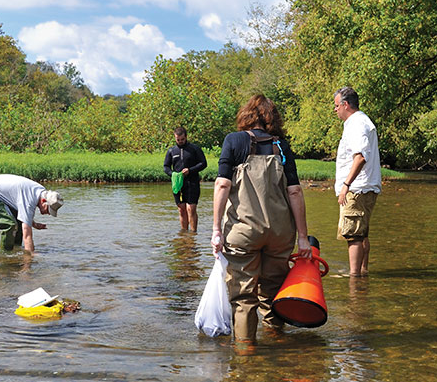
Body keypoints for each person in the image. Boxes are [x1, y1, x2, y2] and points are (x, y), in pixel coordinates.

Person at [211, 95, 312, 343]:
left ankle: (246, 354)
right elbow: (295, 191)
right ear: (271, 118)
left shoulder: (233, 141)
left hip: (243, 232)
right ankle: (275, 339)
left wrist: (216, 230)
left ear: (246, 115)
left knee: (243, 296)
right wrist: (302, 238)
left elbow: (223, 185)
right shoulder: (282, 147)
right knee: (274, 290)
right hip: (280, 234)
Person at [333, 86, 381, 277]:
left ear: (346, 104)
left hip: (357, 188)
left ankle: (354, 279)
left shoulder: (356, 123)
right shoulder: (362, 122)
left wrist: (346, 185)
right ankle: (362, 273)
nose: (335, 110)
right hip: (365, 187)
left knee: (353, 235)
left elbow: (360, 157)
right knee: (361, 234)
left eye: (336, 106)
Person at [0, 174, 63, 254]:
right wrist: (30, 257)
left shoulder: (40, 192)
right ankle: (5, 255)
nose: (48, 213)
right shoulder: (30, 200)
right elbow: (27, 236)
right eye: (48, 210)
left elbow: (24, 213)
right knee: (10, 225)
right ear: (44, 201)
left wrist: (34, 224)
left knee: (19, 223)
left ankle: (16, 250)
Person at [163, 126, 207, 232]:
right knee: (182, 209)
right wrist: (173, 174)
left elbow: (203, 163)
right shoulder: (171, 151)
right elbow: (166, 167)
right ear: (175, 138)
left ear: (186, 137)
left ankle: (193, 234)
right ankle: (184, 234)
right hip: (178, 184)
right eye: (178, 140)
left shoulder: (194, 149)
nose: (180, 141)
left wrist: (190, 170)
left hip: (192, 182)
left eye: (182, 139)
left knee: (190, 209)